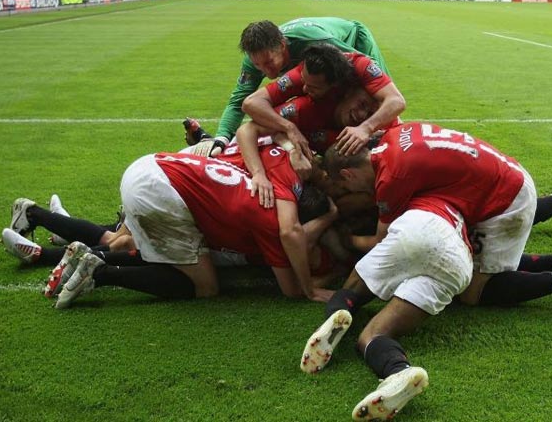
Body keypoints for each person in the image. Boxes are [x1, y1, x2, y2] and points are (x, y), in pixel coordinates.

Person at [297, 122, 552, 421]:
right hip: (471, 226)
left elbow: (380, 238)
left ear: (348, 174)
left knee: (475, 290)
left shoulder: (392, 180)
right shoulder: (395, 139)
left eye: (342, 186)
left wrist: (346, 239)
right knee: (470, 276)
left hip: (490, 204)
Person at [52, 145, 335, 308]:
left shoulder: (276, 169)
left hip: (150, 167)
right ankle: (99, 273)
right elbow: (291, 289)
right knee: (206, 286)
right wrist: (324, 276)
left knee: (131, 243)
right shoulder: (274, 225)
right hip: (161, 193)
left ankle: (84, 252)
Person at [195, 18, 391, 156]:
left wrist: (368, 127)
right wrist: (221, 139)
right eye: (258, 65)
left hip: (352, 41)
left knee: (371, 100)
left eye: (269, 62)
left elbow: (364, 68)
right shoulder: (254, 59)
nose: (265, 70)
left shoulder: (313, 41)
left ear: (282, 45)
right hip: (311, 75)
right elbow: (240, 102)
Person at [242, 43, 405, 158]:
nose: (304, 89)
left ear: (336, 87)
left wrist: (366, 128)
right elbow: (250, 105)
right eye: (304, 82)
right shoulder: (304, 96)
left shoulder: (360, 67)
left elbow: (397, 101)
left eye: (313, 87)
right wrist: (289, 130)